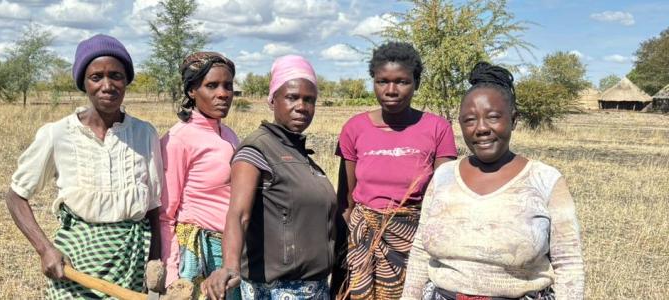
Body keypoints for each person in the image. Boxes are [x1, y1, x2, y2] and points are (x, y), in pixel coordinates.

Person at [401, 62, 585, 300]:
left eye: (493, 117)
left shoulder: (545, 179)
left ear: (514, 119)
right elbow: (420, 253)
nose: (481, 128)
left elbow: (568, 263)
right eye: (469, 120)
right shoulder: (444, 175)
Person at [5, 34, 163, 298]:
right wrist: (45, 249)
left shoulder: (144, 134)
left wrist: (154, 264)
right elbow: (16, 196)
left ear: (126, 81)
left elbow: (153, 208)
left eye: (116, 76)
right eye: (96, 77)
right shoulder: (57, 134)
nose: (107, 85)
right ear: (83, 83)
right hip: (75, 264)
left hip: (131, 262)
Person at [201, 55, 337, 300]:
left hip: (314, 288)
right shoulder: (257, 150)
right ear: (273, 100)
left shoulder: (301, 155)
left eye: (310, 100)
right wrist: (230, 266)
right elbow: (238, 214)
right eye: (292, 97)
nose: (302, 106)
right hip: (276, 290)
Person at [334, 41, 458, 299]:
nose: (391, 90)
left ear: (417, 84)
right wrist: (347, 246)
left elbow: (444, 198)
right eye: (382, 81)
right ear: (374, 82)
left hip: (415, 242)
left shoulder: (437, 129)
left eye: (401, 82)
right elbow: (345, 200)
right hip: (362, 240)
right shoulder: (354, 128)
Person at [159, 51, 241, 299]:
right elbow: (165, 215)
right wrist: (172, 275)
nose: (223, 93)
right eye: (212, 85)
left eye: (228, 86)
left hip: (228, 254)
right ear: (192, 91)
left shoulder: (229, 135)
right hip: (196, 255)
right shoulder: (178, 139)